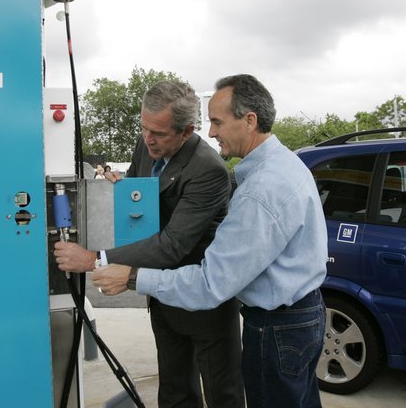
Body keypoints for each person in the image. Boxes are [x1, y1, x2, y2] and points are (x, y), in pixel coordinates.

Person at [92, 74, 328, 408]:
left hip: (275, 327)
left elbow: (211, 282)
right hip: (300, 317)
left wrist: (127, 274)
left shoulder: (260, 191)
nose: (212, 131)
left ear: (249, 121)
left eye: (217, 121)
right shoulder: (285, 165)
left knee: (229, 393)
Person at [54, 81, 245, 408]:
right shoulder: (147, 146)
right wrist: (124, 189)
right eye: (143, 128)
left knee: (222, 394)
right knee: (174, 391)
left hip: (205, 305)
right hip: (163, 296)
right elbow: (143, 200)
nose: (147, 138)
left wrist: (93, 259)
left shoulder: (208, 169)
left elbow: (172, 245)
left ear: (187, 131)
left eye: (158, 132)